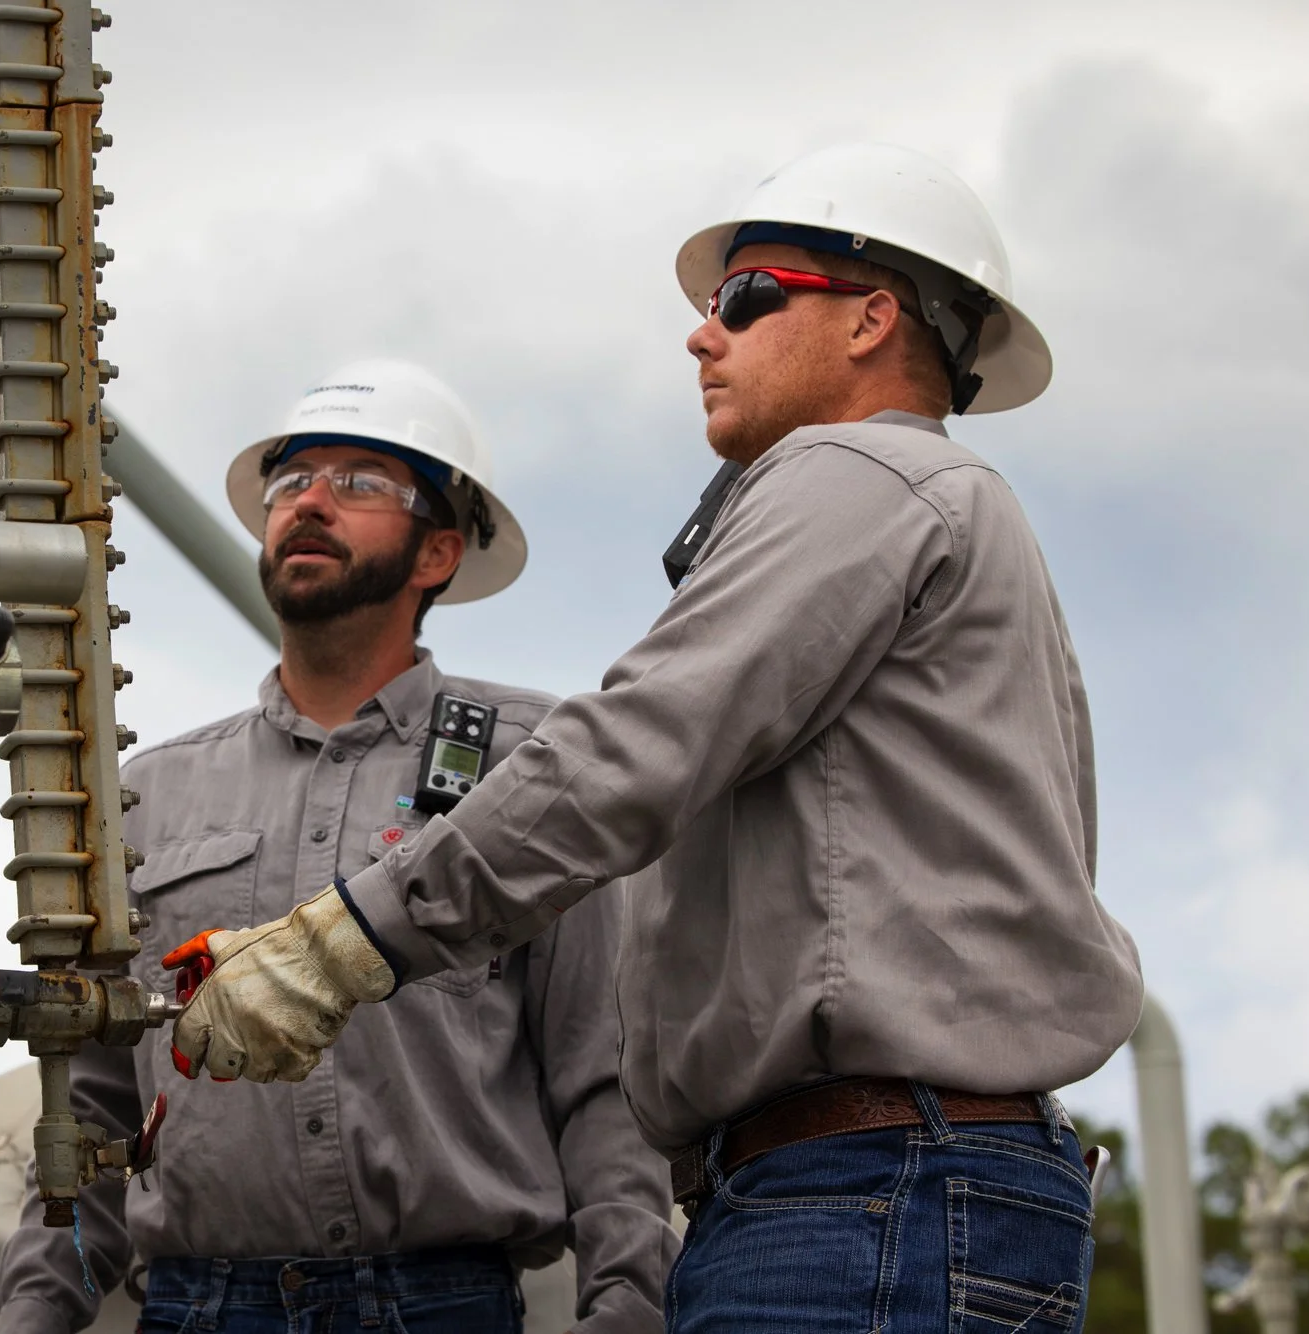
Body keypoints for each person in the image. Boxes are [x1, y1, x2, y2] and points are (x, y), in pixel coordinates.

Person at [167, 144, 1145, 1332]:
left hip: (864, 1195)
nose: (700, 335)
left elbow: (634, 748)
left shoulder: (857, 470)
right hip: (908, 1186)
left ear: (871, 319)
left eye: (744, 297)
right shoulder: (949, 514)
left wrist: (344, 939)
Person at [0, 359, 680, 1334]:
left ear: (438, 552)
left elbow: (600, 1076)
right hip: (195, 1303)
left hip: (441, 1301)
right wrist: (32, 1313)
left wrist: (628, 1305)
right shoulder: (148, 795)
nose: (309, 501)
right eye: (291, 482)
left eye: (359, 482)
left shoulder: (528, 768)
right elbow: (94, 1112)